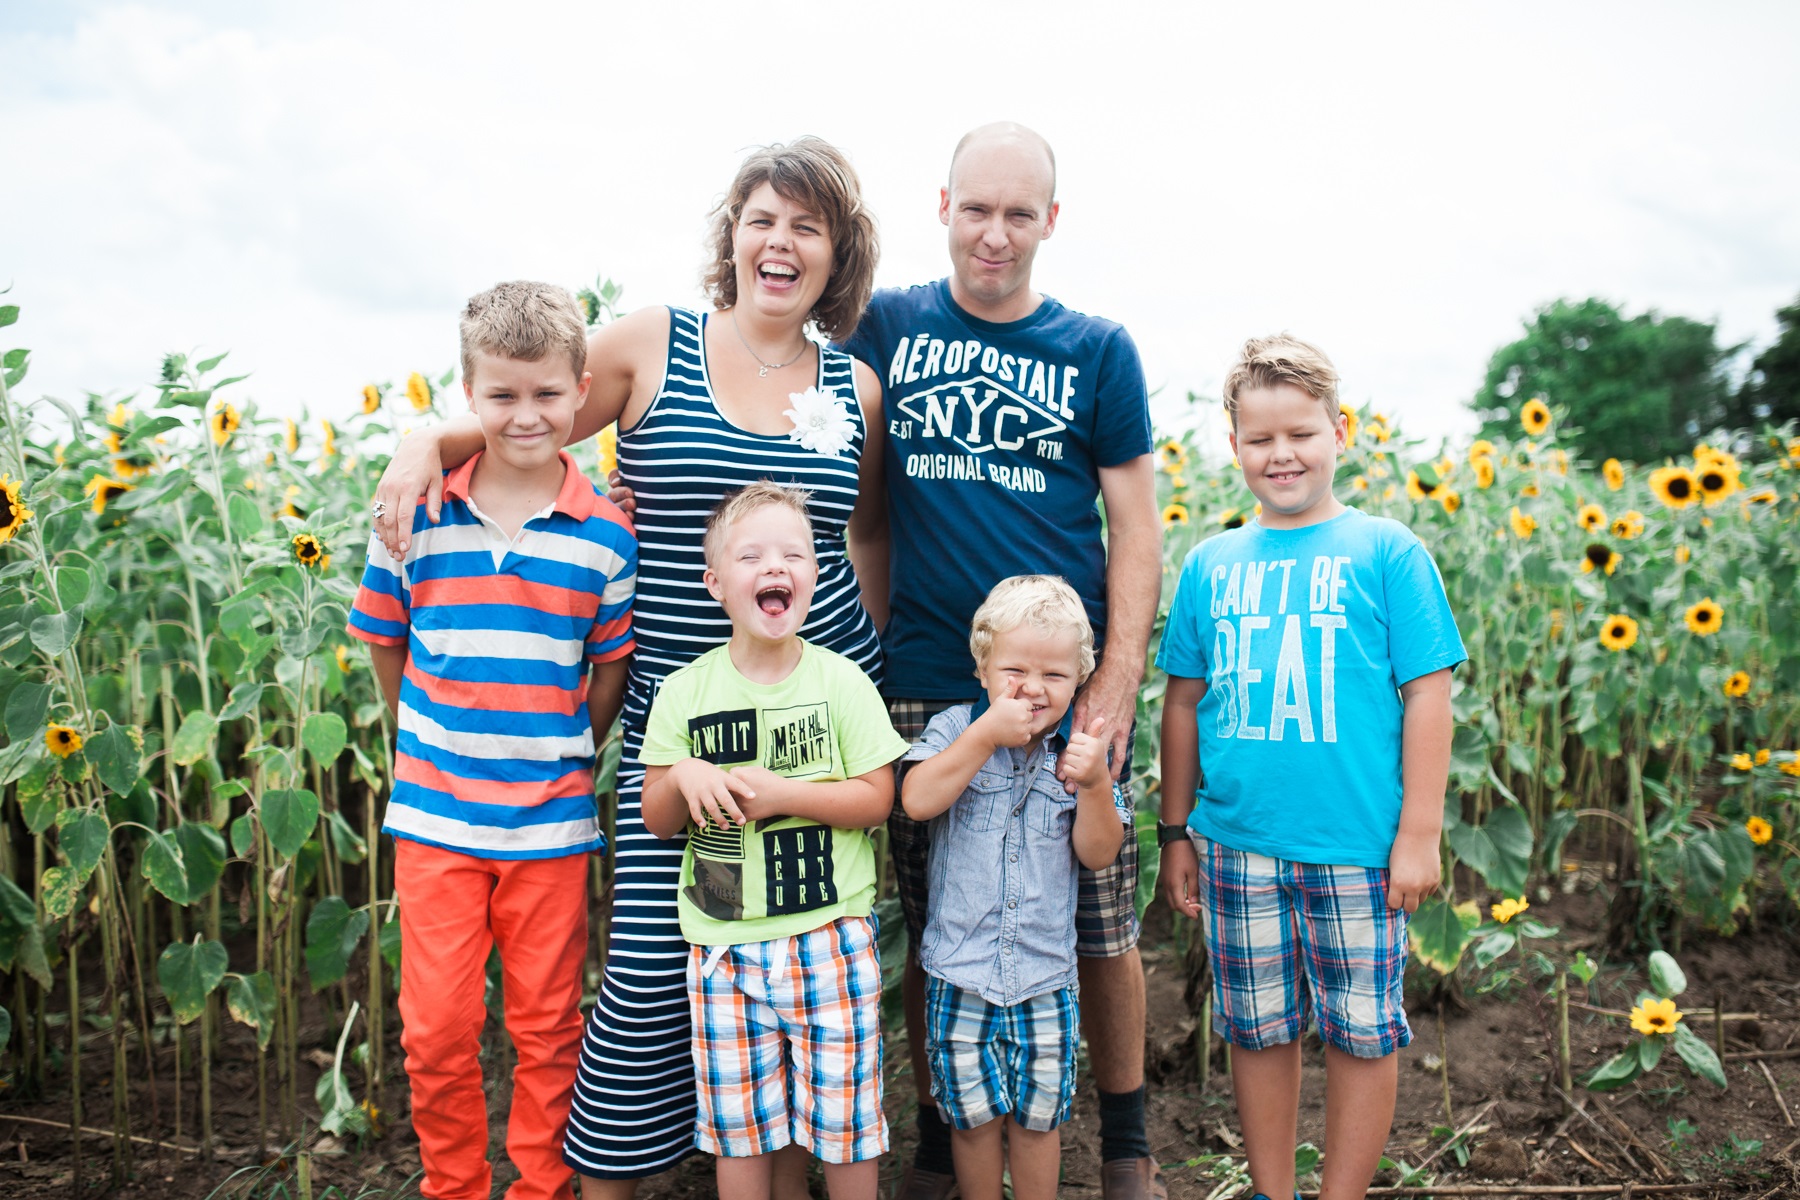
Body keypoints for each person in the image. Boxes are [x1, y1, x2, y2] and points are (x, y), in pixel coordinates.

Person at [370, 138, 885, 1198]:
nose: (781, 243)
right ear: (731, 234)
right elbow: (532, 417)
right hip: (676, 714)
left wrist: (855, 673)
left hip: (808, 715)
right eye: (762, 219)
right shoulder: (656, 341)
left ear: (839, 253)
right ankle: (597, 1179)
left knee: (796, 961)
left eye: (808, 225)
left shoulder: (858, 387)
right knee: (651, 973)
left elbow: (860, 535)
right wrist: (425, 441)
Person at [836, 121, 1165, 1200]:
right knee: (946, 921)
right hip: (935, 678)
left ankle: (1123, 1147)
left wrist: (1110, 692)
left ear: (1051, 223)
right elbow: (866, 511)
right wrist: (884, 663)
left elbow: (1137, 534)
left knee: (1097, 918)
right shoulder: (886, 327)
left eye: (1019, 212)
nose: (995, 232)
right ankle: (945, 1144)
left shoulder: (1098, 349)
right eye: (976, 208)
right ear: (942, 206)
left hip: (1067, 685)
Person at [1155, 335, 1465, 1200]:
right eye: (1260, 439)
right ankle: (1272, 1189)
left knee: (1362, 1032)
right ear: (1234, 448)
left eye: (1300, 433)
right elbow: (1182, 703)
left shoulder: (1387, 552)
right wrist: (1175, 831)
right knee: (1257, 1030)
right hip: (1236, 844)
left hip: (1359, 846)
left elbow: (1428, 697)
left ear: (1341, 431)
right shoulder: (1212, 564)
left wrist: (1419, 833)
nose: (1281, 454)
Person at [348, 280, 637, 1200]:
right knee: (433, 1030)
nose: (526, 416)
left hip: (548, 830)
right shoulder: (412, 514)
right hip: (436, 821)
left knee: (549, 1030)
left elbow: (607, 676)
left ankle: (538, 1189)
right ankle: (454, 1186)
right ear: (467, 394)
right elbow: (386, 645)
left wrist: (554, 748)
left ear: (581, 391)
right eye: (503, 396)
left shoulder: (605, 538)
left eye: (549, 395)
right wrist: (428, 740)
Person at [640, 481, 910, 1200]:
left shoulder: (843, 684)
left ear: (815, 577)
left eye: (794, 553)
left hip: (828, 936)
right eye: (751, 554)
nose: (775, 566)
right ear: (715, 582)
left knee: (847, 1126)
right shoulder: (684, 693)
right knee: (741, 1132)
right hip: (723, 938)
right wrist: (688, 773)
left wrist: (785, 793)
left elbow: (878, 800)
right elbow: (657, 818)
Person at [900, 575, 1125, 1200]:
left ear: (1079, 679)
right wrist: (981, 738)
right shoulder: (953, 730)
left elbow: (1099, 852)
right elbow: (916, 800)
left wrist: (1097, 787)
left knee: (1037, 1120)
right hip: (960, 972)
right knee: (970, 1123)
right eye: (1015, 670)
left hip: (1045, 978)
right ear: (982, 669)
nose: (1032, 688)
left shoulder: (1082, 753)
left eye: (1054, 675)